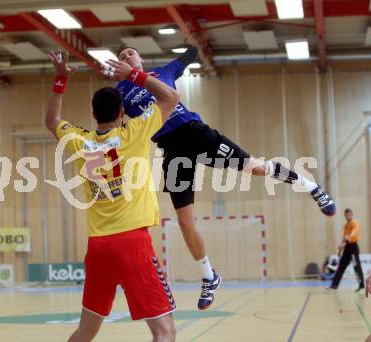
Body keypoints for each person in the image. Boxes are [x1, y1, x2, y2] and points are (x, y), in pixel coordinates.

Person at [114, 45, 336, 310]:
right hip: (171, 149)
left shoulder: (162, 73)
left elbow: (191, 54)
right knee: (185, 223)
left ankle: (312, 187)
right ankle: (209, 277)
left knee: (255, 168)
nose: (127, 57)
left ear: (139, 57)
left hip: (196, 133)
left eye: (130, 53)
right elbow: (117, 123)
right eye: (122, 56)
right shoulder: (120, 93)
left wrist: (193, 40)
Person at [45, 50, 179, 342]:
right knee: (165, 330)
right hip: (132, 243)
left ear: (93, 114)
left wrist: (60, 79)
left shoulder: (79, 141)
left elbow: (52, 118)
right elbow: (170, 98)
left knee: (86, 329)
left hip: (98, 246)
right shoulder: (134, 133)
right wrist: (134, 75)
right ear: (122, 114)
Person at [327, 208, 364, 292]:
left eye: (349, 214)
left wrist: (346, 241)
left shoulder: (355, 223)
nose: (347, 216)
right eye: (346, 215)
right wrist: (340, 249)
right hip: (347, 248)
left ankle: (361, 286)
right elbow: (344, 237)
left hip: (353, 247)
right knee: (341, 267)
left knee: (356, 267)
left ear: (352, 214)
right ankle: (334, 286)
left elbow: (353, 233)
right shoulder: (345, 225)